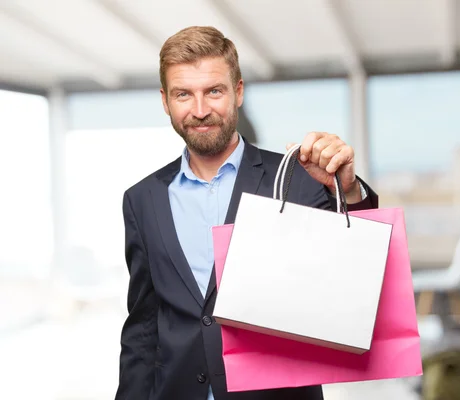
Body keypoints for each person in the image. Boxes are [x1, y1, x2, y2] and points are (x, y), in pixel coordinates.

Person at [115, 25, 379, 400]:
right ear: (165, 101)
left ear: (238, 92)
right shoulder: (142, 199)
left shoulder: (297, 179)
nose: (200, 110)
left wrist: (347, 189)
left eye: (214, 91)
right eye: (184, 95)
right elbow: (143, 327)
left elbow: (362, 272)